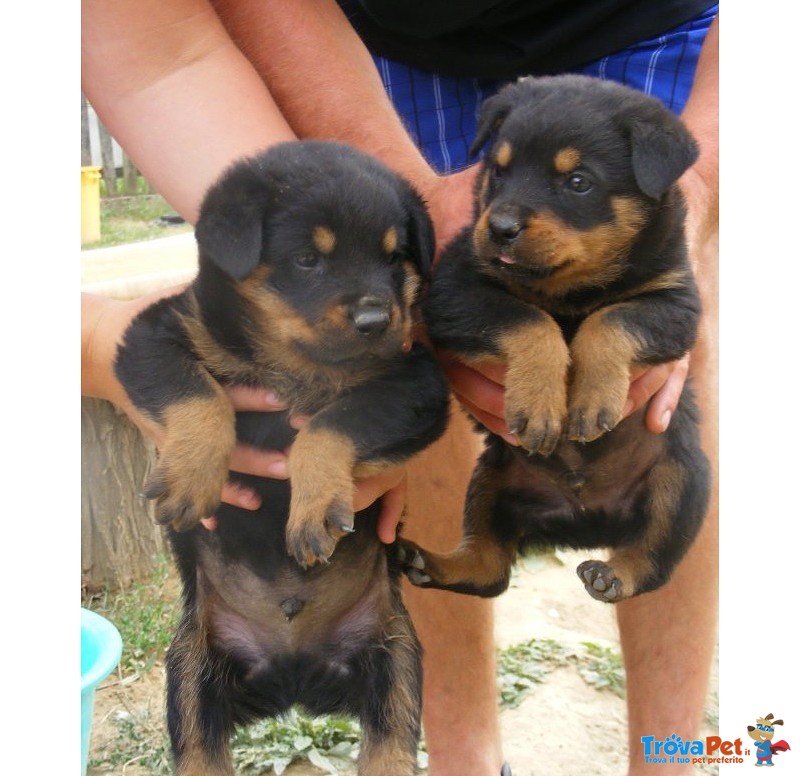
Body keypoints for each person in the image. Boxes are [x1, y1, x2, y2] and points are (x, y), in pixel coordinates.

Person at [81, 1, 718, 774]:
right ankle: (462, 759)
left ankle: (673, 758)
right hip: (374, 31)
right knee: (414, 345)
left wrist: (702, 189)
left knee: (668, 376)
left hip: (644, 21)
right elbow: (162, 55)